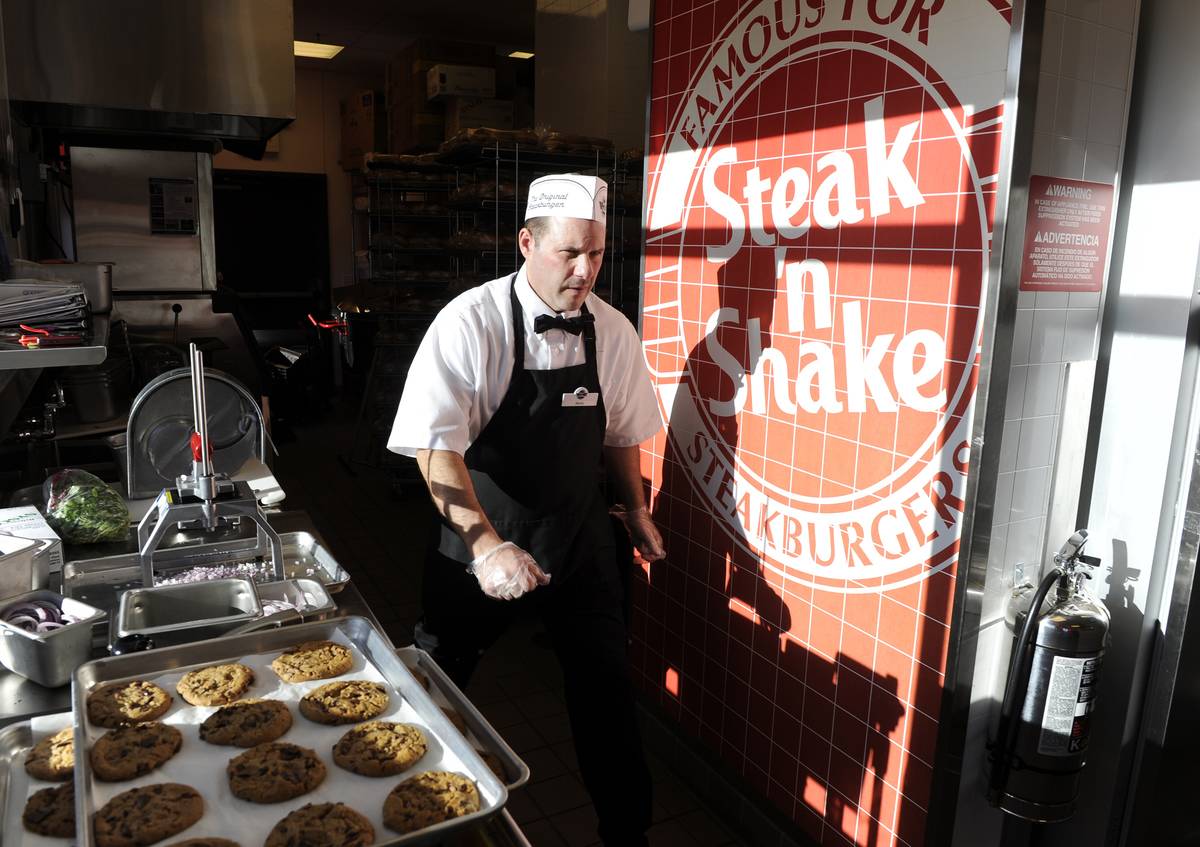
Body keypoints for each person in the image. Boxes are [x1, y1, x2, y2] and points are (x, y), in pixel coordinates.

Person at [388, 173, 667, 846]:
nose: (585, 271)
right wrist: (487, 548)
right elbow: (434, 447)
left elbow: (621, 434)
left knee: (606, 691)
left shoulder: (613, 329)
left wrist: (634, 509)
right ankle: (408, 815)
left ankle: (627, 834)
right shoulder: (471, 321)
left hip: (578, 536)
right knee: (437, 681)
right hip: (481, 535)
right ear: (526, 243)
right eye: (569, 253)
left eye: (596, 253)